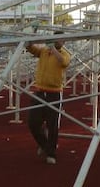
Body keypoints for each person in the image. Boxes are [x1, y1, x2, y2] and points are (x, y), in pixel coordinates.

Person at [26, 31, 71, 165]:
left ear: (63, 42)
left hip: (54, 93)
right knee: (32, 122)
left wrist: (52, 48)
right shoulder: (44, 51)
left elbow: (63, 62)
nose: (57, 41)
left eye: (60, 40)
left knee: (52, 125)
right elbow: (30, 47)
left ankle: (51, 153)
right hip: (39, 91)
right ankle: (45, 145)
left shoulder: (64, 54)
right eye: (55, 39)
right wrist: (32, 33)